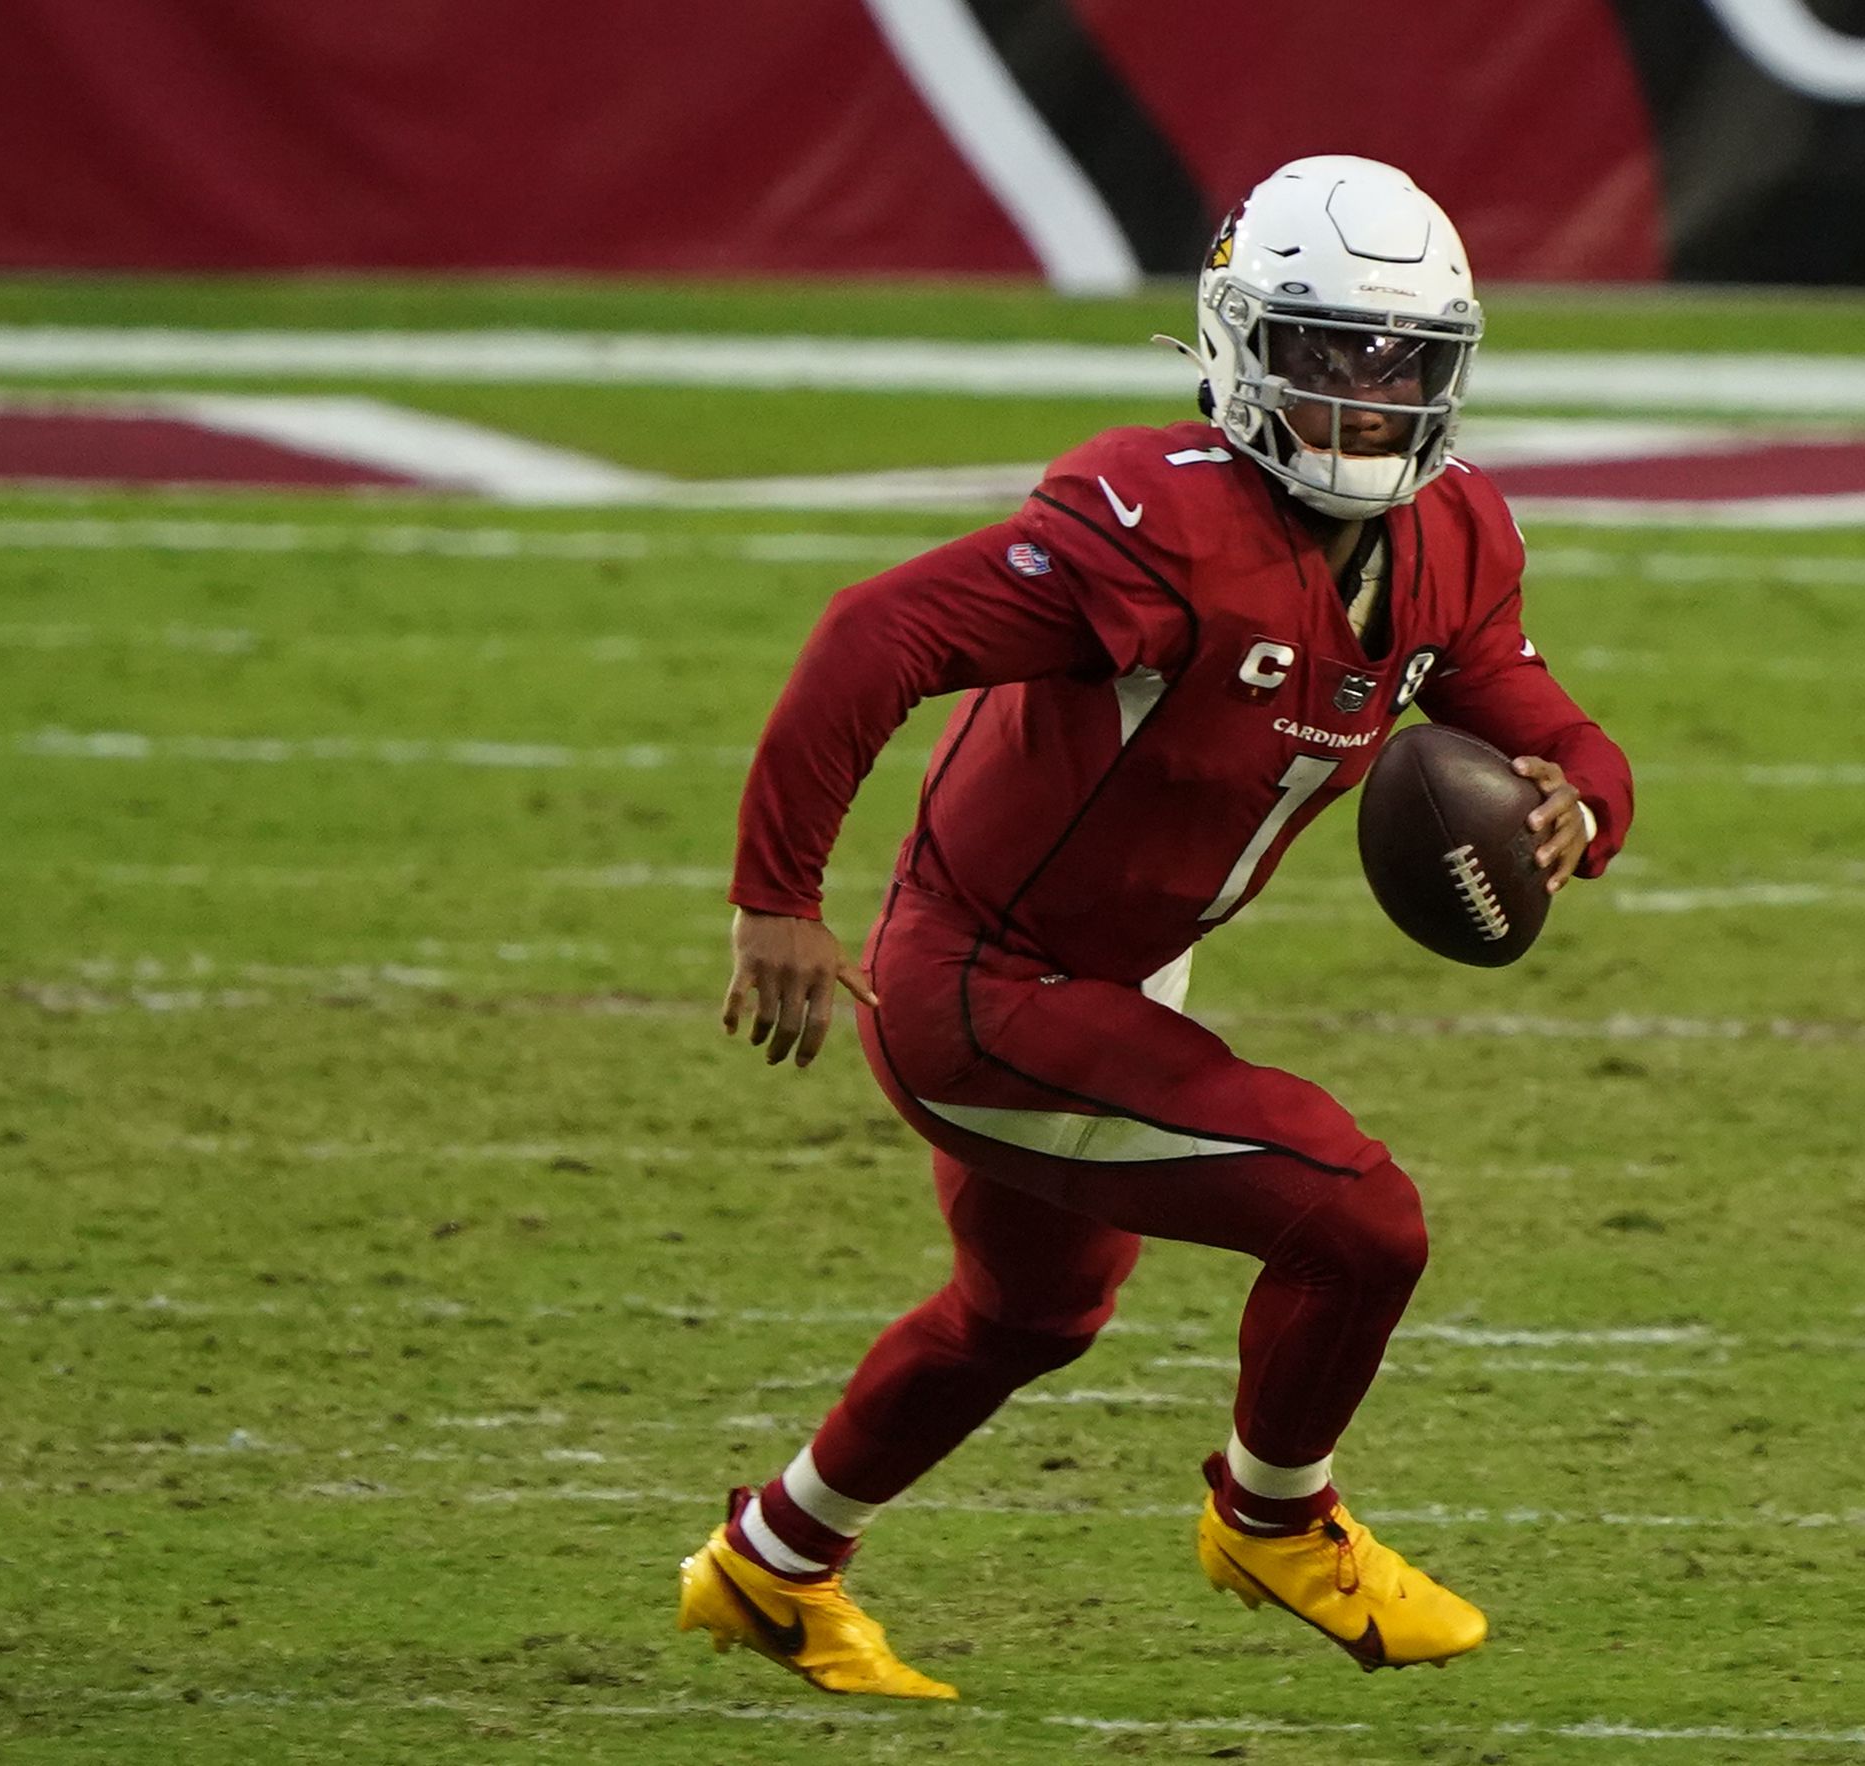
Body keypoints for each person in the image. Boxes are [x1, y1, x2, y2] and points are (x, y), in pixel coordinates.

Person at [675, 155, 1634, 1697]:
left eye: (1404, 363)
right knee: (1357, 1215)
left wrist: (1581, 798)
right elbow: (880, 631)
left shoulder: (1449, 540)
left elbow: (1537, 716)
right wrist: (775, 896)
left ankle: (769, 1569)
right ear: (1240, 349)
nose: (1366, 396)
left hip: (1113, 972)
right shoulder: (1156, 527)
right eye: (1328, 353)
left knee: (1030, 1311)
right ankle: (1274, 1516)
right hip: (982, 986)